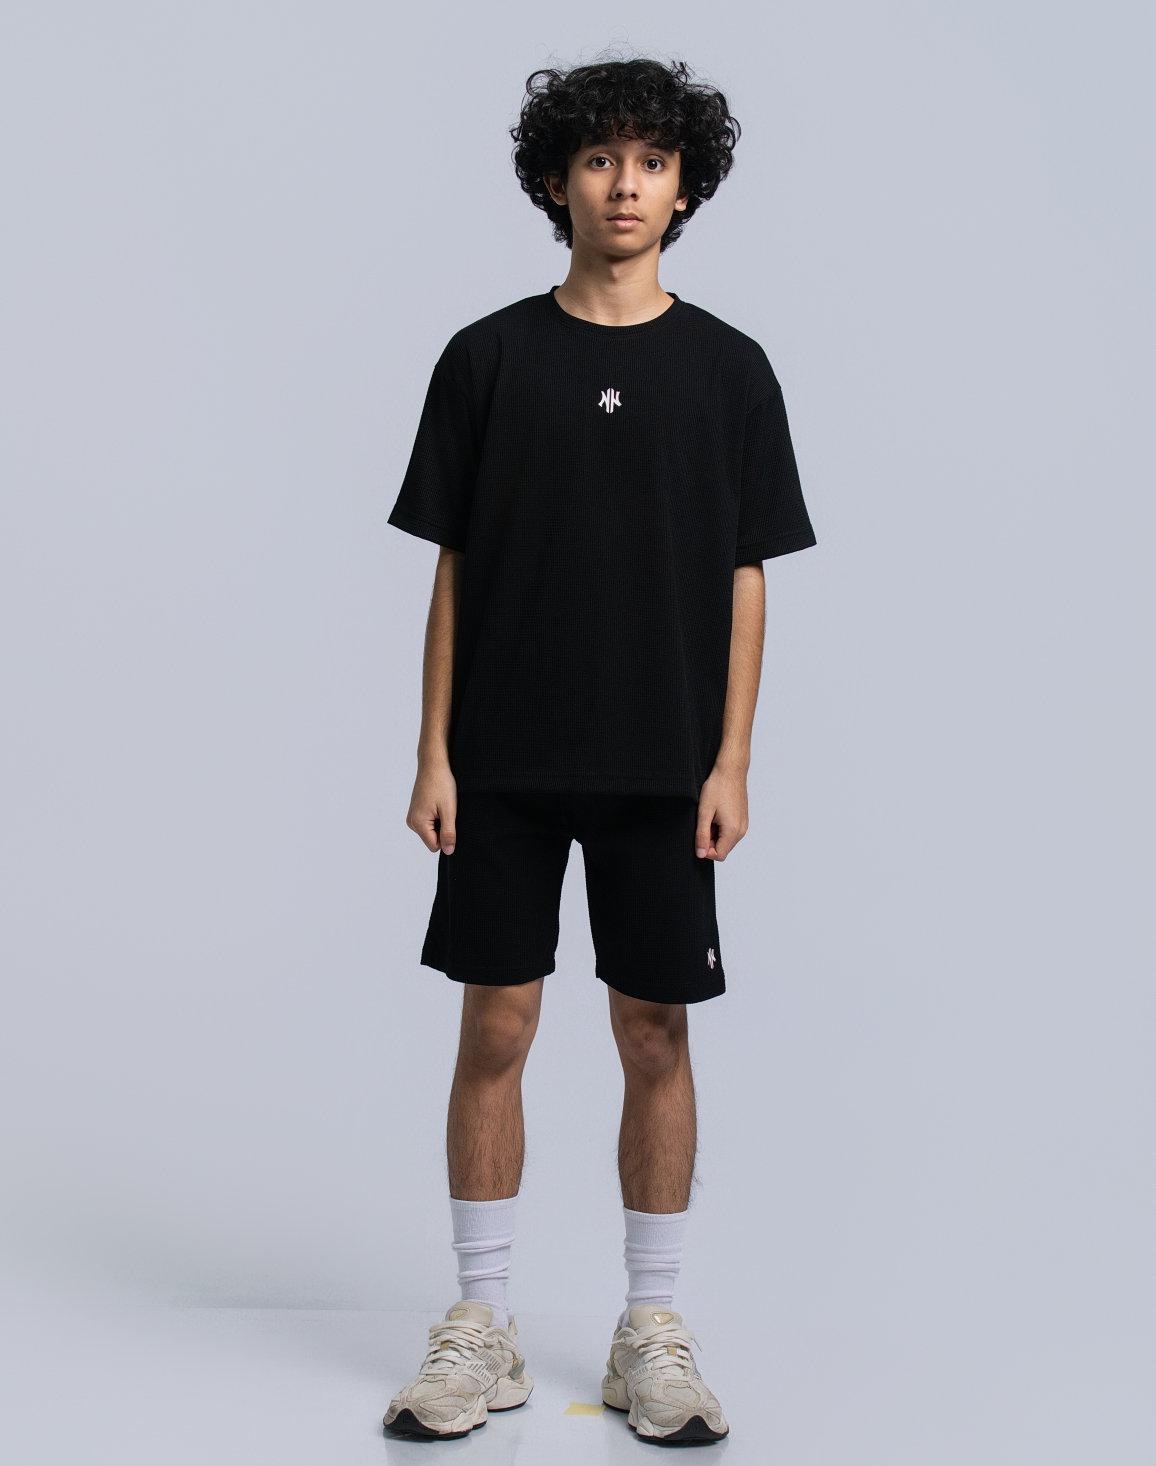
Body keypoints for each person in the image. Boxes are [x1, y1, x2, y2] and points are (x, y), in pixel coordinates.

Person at [381, 53, 817, 1445]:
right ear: (556, 180)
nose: (625, 184)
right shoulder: (489, 357)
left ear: (685, 188)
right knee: (496, 1025)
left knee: (655, 1031)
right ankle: (482, 1325)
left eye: (652, 161)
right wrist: (433, 750)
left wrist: (731, 759)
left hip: (664, 764)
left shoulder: (730, 369)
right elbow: (453, 570)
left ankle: (652, 1332)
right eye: (599, 159)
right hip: (502, 758)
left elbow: (748, 576)